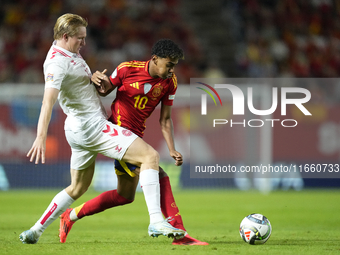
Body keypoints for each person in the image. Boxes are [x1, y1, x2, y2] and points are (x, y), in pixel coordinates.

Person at [19, 14, 185, 244]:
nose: (84, 43)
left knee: (77, 187)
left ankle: (35, 231)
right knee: (150, 156)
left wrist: (94, 79)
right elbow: (48, 101)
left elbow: (88, 87)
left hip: (77, 130)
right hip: (92, 126)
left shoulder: (68, 52)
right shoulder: (56, 64)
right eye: (80, 38)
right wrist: (40, 136)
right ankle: (156, 220)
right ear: (65, 36)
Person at [58, 39, 208, 245]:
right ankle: (179, 232)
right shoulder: (127, 69)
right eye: (169, 64)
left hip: (135, 138)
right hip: (117, 135)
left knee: (124, 195)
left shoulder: (169, 82)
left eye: (174, 65)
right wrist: (97, 79)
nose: (172, 70)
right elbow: (104, 90)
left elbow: (165, 119)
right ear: (155, 59)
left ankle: (70, 215)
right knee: (159, 173)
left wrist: (172, 148)